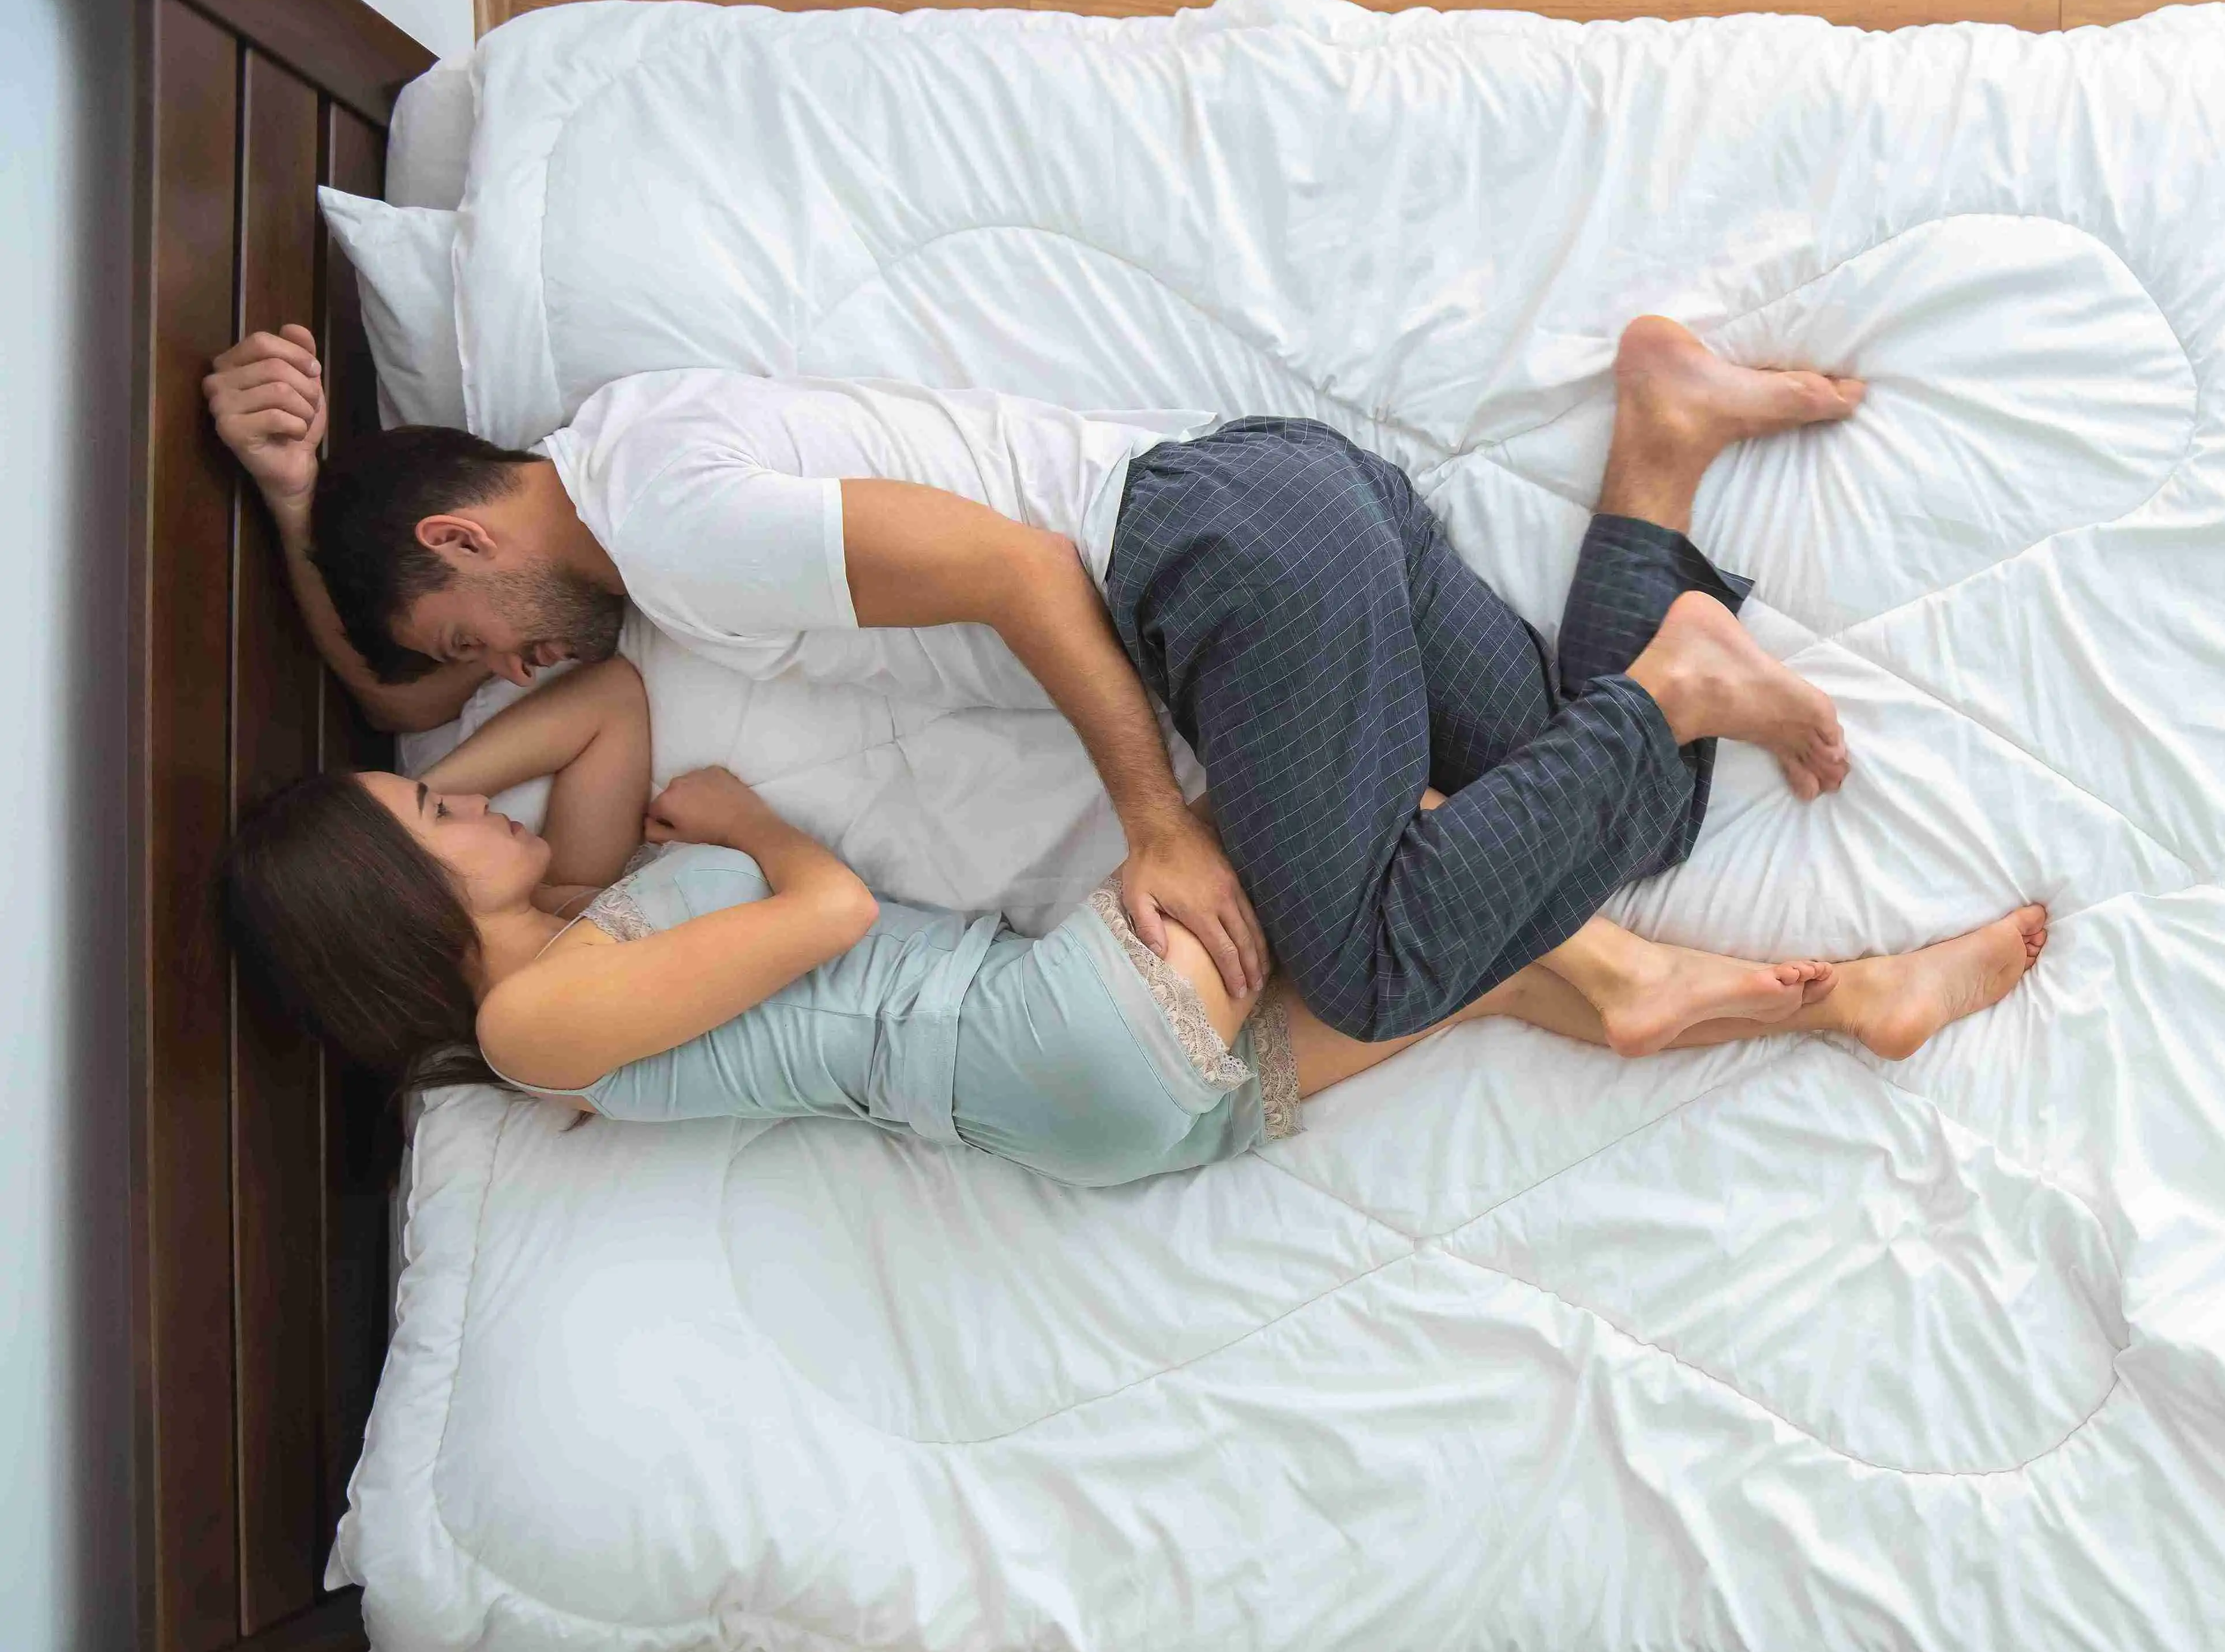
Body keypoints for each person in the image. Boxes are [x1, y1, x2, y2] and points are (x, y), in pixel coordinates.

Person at [204, 314, 1870, 1046]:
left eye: (472, 639)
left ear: (463, 537)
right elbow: (410, 718)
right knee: (1600, 819)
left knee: (1368, 969)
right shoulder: (631, 462)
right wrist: (295, 505)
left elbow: (1015, 571)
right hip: (1282, 503)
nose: (506, 677)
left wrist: (1155, 821)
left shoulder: (676, 525)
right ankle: (1662, 440)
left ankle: (1671, 691)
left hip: (1215, 570)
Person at [216, 652, 2051, 1187]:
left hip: (1084, 1106)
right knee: (1364, 839)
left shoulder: (567, 918)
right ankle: (1658, 816)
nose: (476, 792)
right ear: (389, 915)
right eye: (434, 817)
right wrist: (759, 828)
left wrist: (409, 744)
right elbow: (828, 908)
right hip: (1028, 1036)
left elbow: (610, 695)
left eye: (443, 786)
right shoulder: (536, 1029)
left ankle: (1836, 1004)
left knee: (1467, 968)